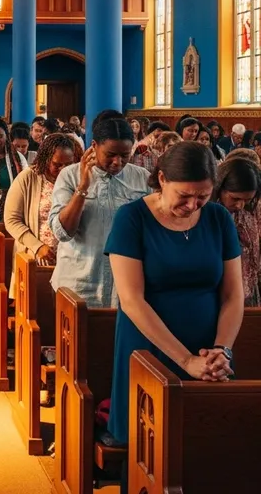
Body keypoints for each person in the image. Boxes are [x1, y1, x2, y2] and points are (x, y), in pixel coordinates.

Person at [105, 142, 243, 458]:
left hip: (209, 349)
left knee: (205, 449)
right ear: (163, 178)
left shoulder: (219, 218)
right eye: (184, 196)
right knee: (149, 454)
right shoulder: (131, 218)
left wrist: (222, 351)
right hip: (148, 348)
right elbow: (132, 299)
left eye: (203, 197)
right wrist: (185, 360)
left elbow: (234, 294)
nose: (193, 204)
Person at [49, 117, 151, 307]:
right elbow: (62, 233)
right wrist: (83, 186)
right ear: (94, 146)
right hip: (79, 282)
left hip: (125, 286)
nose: (117, 162)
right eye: (110, 154)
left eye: (125, 155)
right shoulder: (69, 176)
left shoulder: (142, 178)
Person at [4, 134, 82, 294]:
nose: (63, 170)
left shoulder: (79, 180)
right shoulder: (28, 177)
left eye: (68, 164)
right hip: (37, 256)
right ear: (46, 159)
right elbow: (11, 220)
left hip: (72, 258)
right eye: (57, 164)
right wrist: (38, 247)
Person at [212, 155, 261, 306]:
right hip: (219, 291)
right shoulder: (207, 214)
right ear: (220, 188)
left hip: (248, 287)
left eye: (246, 200)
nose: (240, 205)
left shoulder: (248, 213)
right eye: (235, 198)